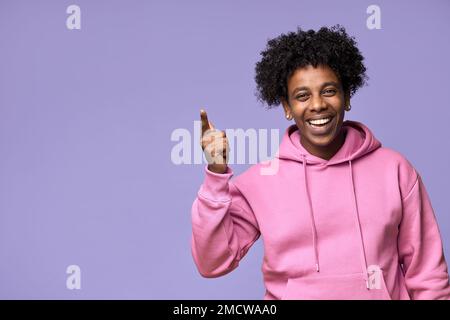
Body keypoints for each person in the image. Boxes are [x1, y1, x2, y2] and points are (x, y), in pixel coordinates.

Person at [190, 25, 450, 300]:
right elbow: (213, 263)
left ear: (347, 97)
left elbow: (428, 275)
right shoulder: (261, 181)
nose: (317, 105)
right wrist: (216, 176)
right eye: (302, 96)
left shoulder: (395, 170)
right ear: (287, 107)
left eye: (328, 91)